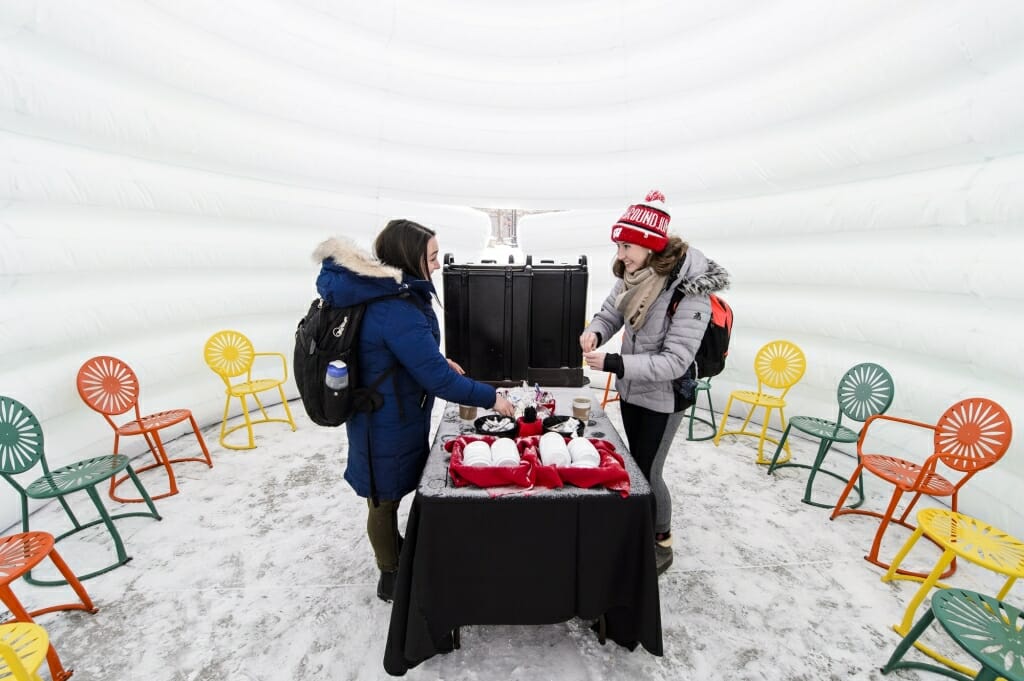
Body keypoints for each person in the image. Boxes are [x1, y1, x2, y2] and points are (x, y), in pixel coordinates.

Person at [313, 219, 515, 602]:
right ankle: (390, 576)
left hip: (392, 410)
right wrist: (491, 398)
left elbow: (407, 354)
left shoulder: (394, 294)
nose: (438, 264)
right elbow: (439, 381)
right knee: (382, 499)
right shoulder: (395, 307)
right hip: (383, 419)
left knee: (386, 494)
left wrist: (436, 360)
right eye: (433, 257)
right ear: (410, 257)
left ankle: (394, 553)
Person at [580, 190, 729, 575]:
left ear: (650, 246)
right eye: (619, 246)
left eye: (627, 246)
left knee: (649, 469)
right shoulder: (634, 275)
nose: (620, 255)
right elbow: (612, 311)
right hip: (634, 389)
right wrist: (597, 332)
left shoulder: (688, 290)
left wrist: (614, 362)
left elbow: (675, 361)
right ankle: (637, 527)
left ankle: (661, 540)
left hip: (665, 397)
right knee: (636, 463)